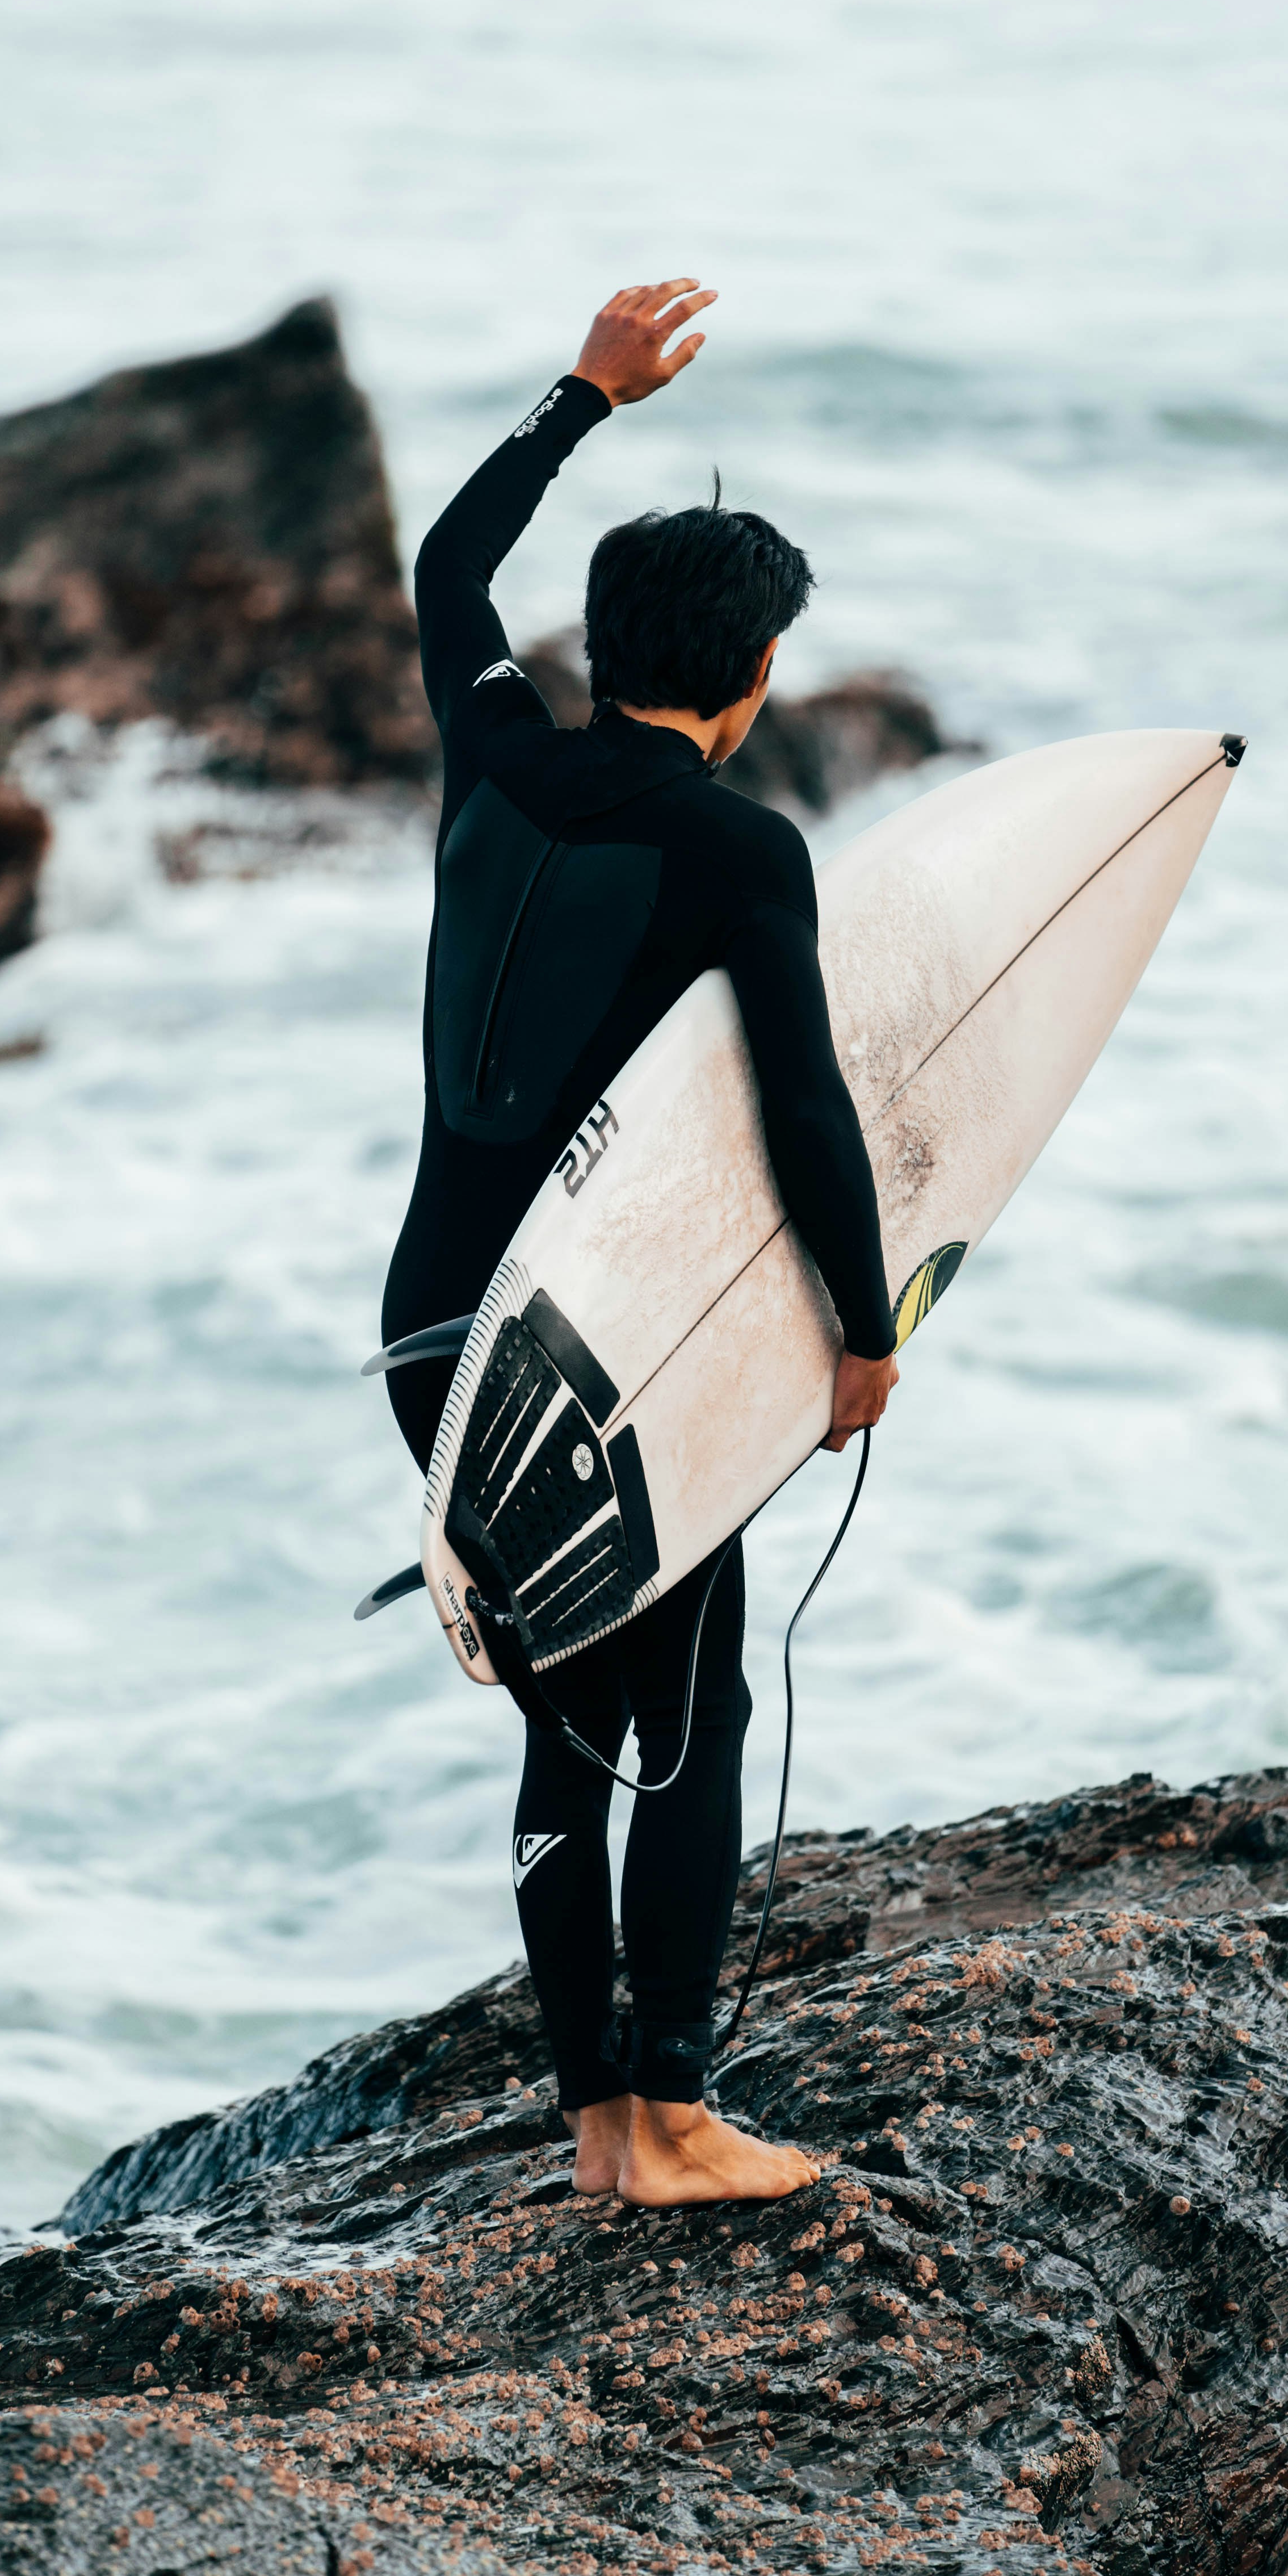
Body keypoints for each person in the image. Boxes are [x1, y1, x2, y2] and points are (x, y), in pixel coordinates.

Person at [381, 280, 898, 2210]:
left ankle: (602, 2120)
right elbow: (807, 1108)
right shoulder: (742, 850)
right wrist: (863, 1330)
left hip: (435, 1323)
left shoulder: (493, 755)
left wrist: (583, 394)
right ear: (755, 671)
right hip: (601, 1339)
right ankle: (666, 2125)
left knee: (564, 1707)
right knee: (686, 1702)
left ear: (603, 647)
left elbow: (447, 564)